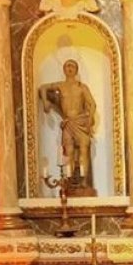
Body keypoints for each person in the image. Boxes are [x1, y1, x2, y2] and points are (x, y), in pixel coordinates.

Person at [39, 59, 98, 189]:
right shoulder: (60, 85)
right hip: (68, 123)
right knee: (68, 152)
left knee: (84, 149)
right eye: (67, 66)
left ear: (76, 70)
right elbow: (43, 88)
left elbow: (92, 104)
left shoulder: (82, 87)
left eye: (72, 66)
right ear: (64, 70)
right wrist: (45, 103)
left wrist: (89, 120)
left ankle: (84, 182)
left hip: (80, 122)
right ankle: (69, 181)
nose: (69, 68)